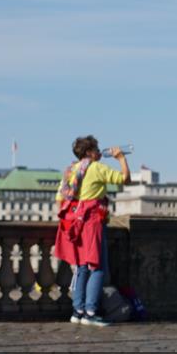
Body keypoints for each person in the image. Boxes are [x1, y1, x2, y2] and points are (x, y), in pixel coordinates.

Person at [54, 135, 131, 327]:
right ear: (89, 152)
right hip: (91, 222)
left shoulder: (70, 170)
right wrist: (121, 157)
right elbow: (125, 179)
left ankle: (77, 311)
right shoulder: (96, 168)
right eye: (97, 149)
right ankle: (90, 312)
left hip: (73, 224)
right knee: (96, 268)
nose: (99, 152)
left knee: (81, 268)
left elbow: (59, 199)